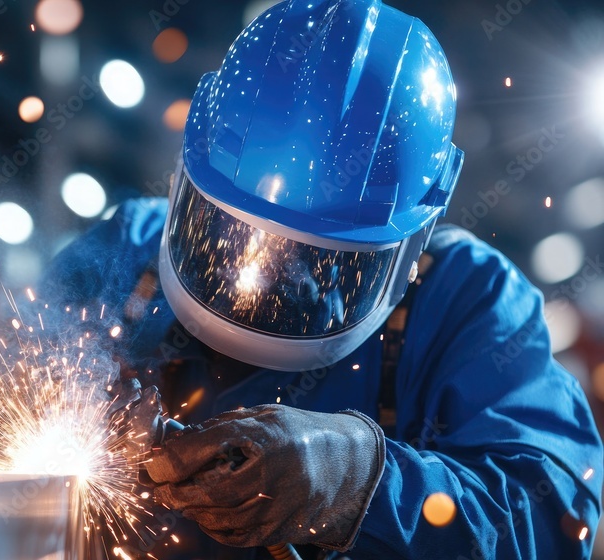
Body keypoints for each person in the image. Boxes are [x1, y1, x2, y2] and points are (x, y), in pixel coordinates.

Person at [39, 0, 603, 557]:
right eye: (231, 235)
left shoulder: (468, 301)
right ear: (185, 179)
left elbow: (554, 521)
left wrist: (359, 483)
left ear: (410, 244)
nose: (259, 277)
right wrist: (80, 407)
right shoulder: (125, 253)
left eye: (317, 259)